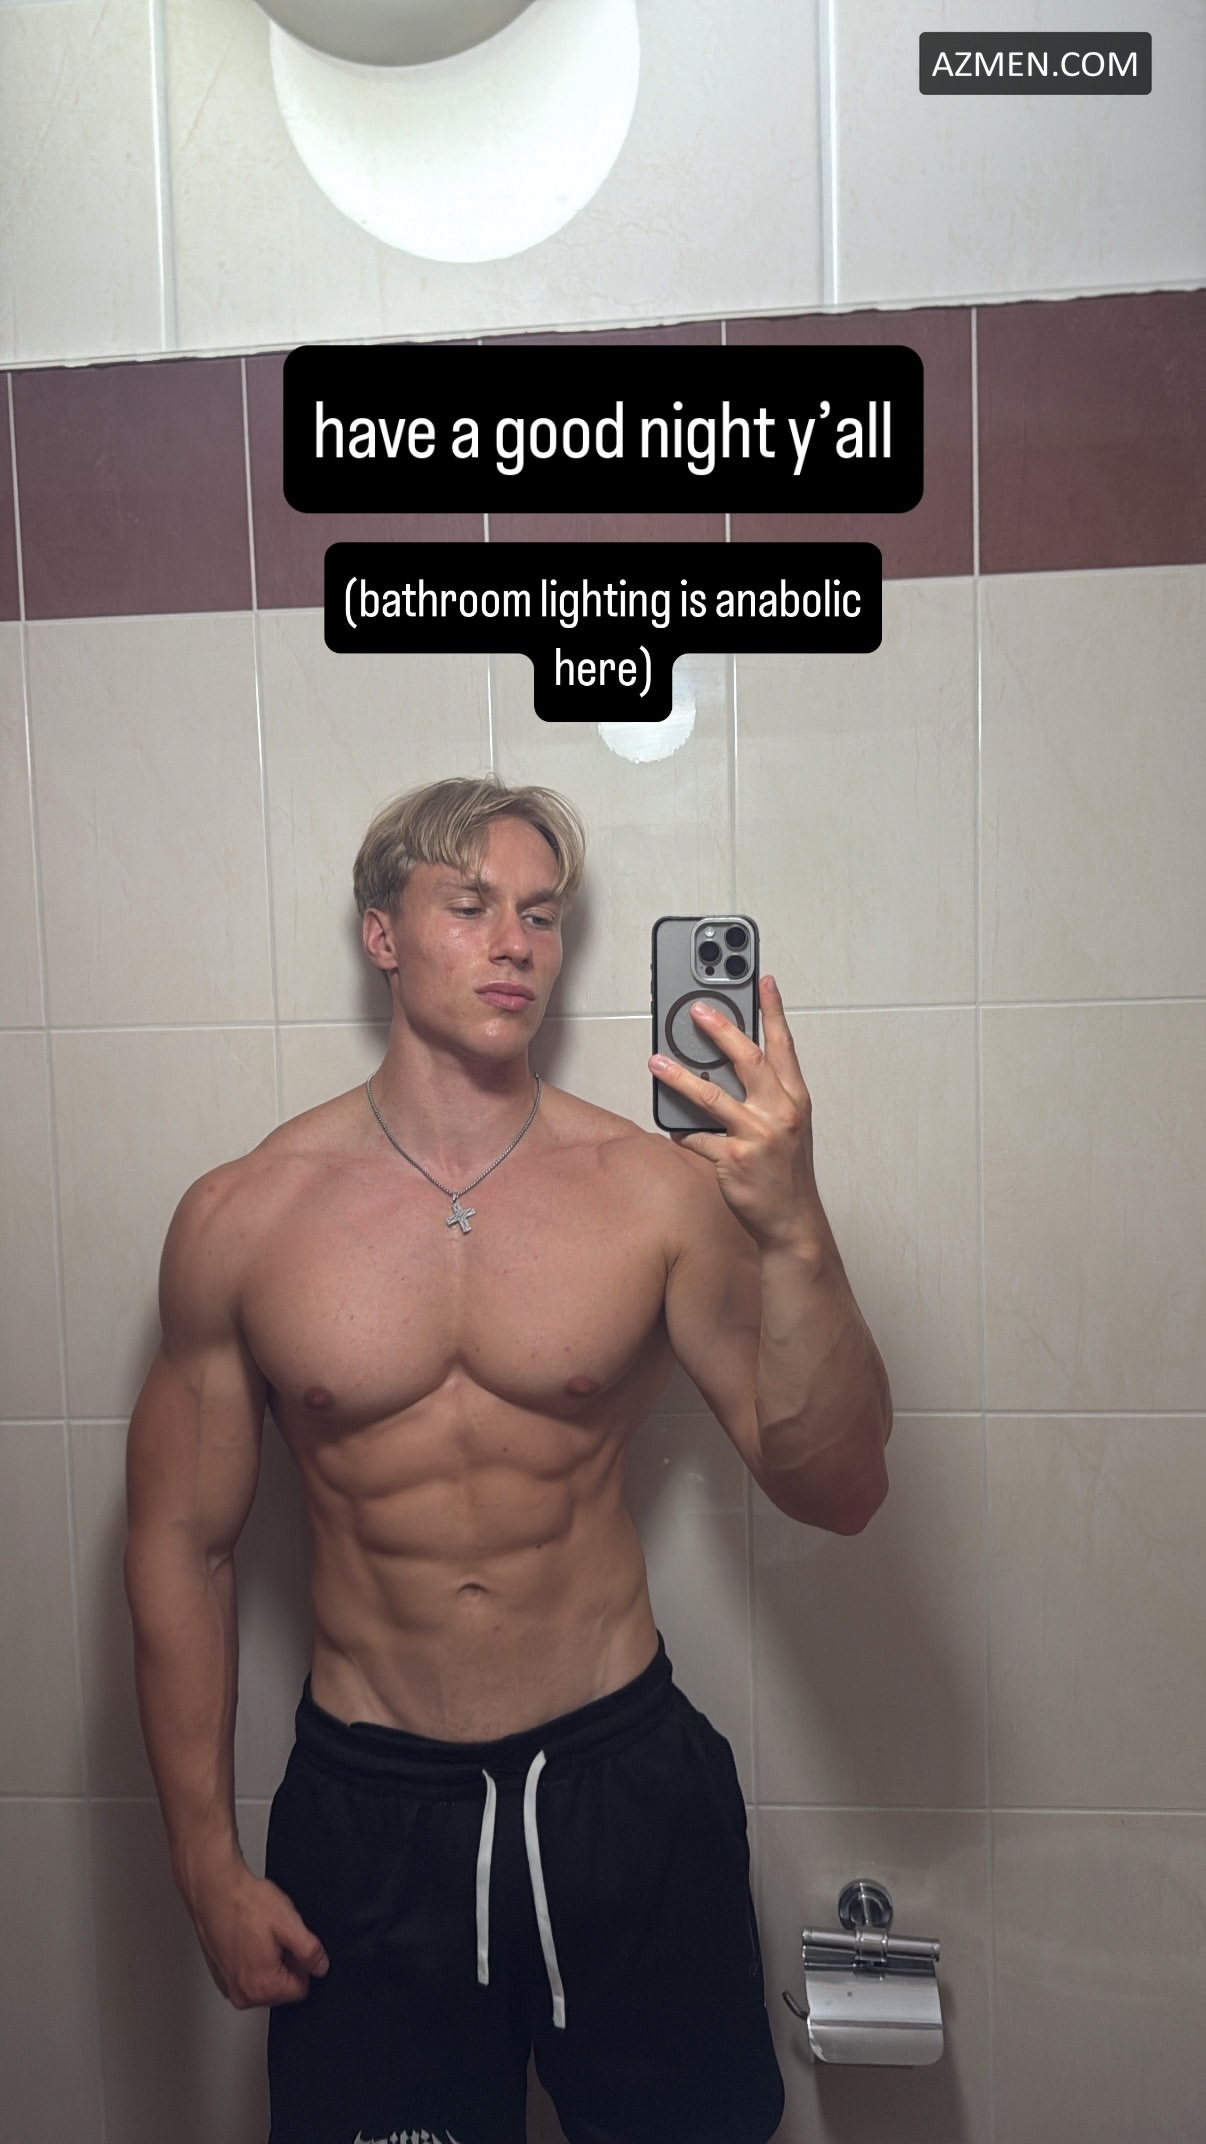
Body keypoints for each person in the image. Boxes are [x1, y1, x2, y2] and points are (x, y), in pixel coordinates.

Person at [125, 774, 891, 2144]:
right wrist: (204, 1863)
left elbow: (837, 1489)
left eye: (541, 914)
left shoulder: (652, 1194)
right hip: (371, 1812)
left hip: (624, 1789)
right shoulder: (245, 1217)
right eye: (470, 906)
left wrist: (793, 1227)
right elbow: (182, 1545)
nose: (516, 943)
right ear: (382, 934)